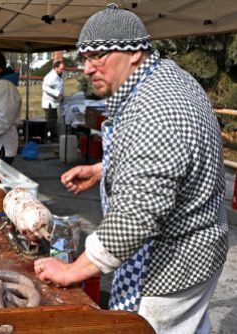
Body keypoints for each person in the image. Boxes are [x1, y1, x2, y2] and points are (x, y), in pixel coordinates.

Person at [33, 5, 228, 333]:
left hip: (174, 261)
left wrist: (71, 271)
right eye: (85, 57)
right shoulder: (162, 76)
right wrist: (103, 170)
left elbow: (135, 218)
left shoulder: (157, 109)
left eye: (99, 55)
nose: (89, 67)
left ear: (134, 52)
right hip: (199, 245)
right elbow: (165, 163)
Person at [42, 61, 65, 142]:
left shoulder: (58, 75)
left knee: (53, 120)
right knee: (51, 121)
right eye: (61, 69)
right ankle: (50, 138)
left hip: (55, 102)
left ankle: (50, 137)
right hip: (50, 103)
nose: (63, 70)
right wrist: (57, 93)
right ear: (55, 68)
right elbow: (45, 87)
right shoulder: (50, 76)